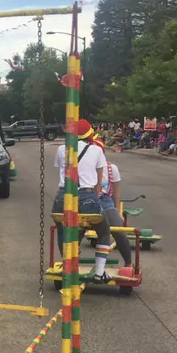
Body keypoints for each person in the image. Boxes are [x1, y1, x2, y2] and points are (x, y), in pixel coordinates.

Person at [53, 120, 112, 283]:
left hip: (62, 197)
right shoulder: (96, 150)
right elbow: (98, 184)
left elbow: (59, 167)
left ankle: (69, 268)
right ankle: (99, 272)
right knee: (104, 232)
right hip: (86, 196)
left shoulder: (60, 149)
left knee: (64, 232)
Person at [96, 158, 133, 268]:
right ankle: (70, 262)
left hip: (105, 200)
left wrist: (118, 211)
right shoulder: (81, 165)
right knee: (75, 230)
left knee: (118, 229)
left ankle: (128, 263)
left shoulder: (111, 168)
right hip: (85, 200)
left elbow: (116, 193)